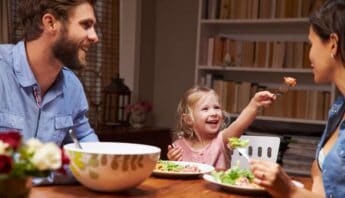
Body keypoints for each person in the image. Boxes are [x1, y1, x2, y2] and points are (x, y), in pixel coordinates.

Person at [249, 0, 345, 197]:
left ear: (333, 44)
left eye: (310, 44)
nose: (308, 55)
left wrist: (290, 191)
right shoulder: (338, 109)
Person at [0, 0, 99, 184]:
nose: (94, 37)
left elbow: (86, 141)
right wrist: (67, 169)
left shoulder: (73, 87)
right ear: (50, 23)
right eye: (86, 25)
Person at [167, 86, 276, 170]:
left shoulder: (222, 140)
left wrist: (254, 104)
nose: (214, 113)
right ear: (189, 120)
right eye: (205, 109)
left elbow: (240, 124)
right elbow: (174, 176)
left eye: (217, 107)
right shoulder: (178, 146)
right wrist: (172, 162)